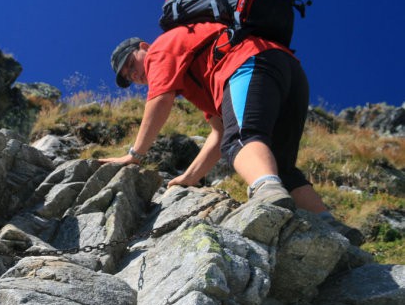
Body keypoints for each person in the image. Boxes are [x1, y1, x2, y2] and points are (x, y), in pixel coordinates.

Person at [100, 23, 364, 245]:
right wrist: (189, 177)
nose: (135, 76)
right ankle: (332, 228)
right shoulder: (196, 77)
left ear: (143, 47)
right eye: (129, 77)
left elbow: (160, 99)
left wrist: (134, 155)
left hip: (248, 63)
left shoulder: (160, 48)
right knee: (279, 165)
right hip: (287, 71)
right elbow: (219, 131)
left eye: (131, 65)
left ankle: (266, 192)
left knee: (241, 140)